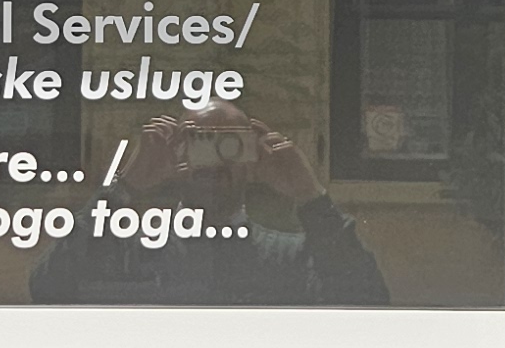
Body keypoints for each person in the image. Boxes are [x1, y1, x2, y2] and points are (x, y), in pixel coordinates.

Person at [28, 108, 393, 307]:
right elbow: (48, 286)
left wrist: (310, 196)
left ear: (251, 160)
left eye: (230, 146)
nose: (215, 163)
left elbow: (367, 301)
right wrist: (125, 186)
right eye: (200, 145)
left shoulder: (290, 256)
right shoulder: (132, 251)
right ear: (176, 155)